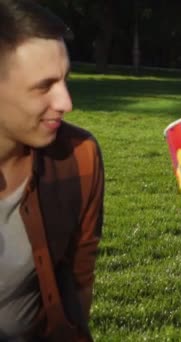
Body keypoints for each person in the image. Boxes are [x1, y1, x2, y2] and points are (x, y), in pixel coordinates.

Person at [0, 0, 104, 340]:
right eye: (44, 86)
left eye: (65, 80)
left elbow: (78, 282)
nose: (66, 103)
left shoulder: (79, 156)